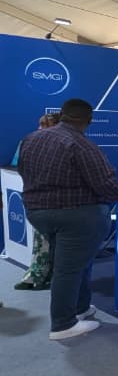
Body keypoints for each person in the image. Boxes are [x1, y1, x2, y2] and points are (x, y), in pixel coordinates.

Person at [18, 98, 118, 341]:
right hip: (76, 216)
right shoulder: (81, 145)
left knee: (78, 262)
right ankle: (63, 324)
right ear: (89, 120)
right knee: (68, 269)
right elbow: (107, 187)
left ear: (62, 114)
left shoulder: (31, 138)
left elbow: (23, 171)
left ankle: (80, 308)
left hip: (37, 213)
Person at [12, 111, 61, 290]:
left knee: (55, 242)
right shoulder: (30, 143)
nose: (40, 129)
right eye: (40, 125)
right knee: (41, 241)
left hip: (58, 202)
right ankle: (37, 276)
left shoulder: (63, 146)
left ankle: (47, 277)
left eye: (44, 125)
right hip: (38, 201)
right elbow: (21, 166)